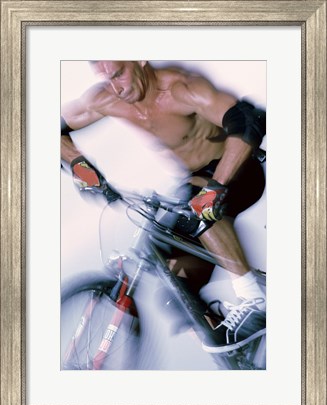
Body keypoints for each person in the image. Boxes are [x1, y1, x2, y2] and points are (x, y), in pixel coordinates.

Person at [61, 60, 266, 353]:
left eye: (119, 74)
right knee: (175, 287)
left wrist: (216, 187)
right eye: (107, 79)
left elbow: (247, 121)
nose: (116, 88)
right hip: (193, 181)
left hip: (237, 171)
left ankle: (253, 298)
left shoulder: (180, 88)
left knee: (196, 199)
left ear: (140, 60)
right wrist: (80, 167)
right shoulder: (105, 98)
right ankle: (237, 352)